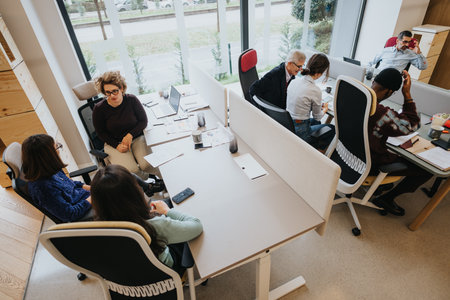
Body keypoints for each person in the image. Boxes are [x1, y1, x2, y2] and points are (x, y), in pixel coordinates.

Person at [90, 164, 203, 275]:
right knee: (177, 218)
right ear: (134, 194)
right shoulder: (154, 226)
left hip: (132, 276)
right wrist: (167, 211)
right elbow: (196, 226)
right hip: (166, 272)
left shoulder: (97, 230)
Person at [368, 68, 433, 216]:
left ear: (374, 81)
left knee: (395, 153)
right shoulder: (381, 113)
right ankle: (387, 198)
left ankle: (381, 183)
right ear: (390, 92)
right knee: (424, 168)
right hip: (370, 161)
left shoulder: (354, 95)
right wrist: (407, 94)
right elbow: (413, 125)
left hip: (347, 155)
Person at [92, 71, 164, 192]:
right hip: (113, 143)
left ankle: (166, 182)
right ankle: (147, 186)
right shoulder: (99, 109)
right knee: (130, 171)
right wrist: (117, 145)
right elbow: (101, 133)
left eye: (115, 91)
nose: (112, 95)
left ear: (121, 88)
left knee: (146, 164)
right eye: (107, 92)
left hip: (136, 138)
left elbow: (143, 121)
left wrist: (130, 135)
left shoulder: (131, 100)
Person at [22, 134, 93, 222]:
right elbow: (71, 214)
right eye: (56, 148)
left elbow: (72, 185)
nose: (59, 150)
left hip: (87, 198)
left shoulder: (50, 169)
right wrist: (95, 197)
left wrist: (94, 189)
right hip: (84, 211)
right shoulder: (43, 189)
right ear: (48, 156)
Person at [286, 53, 335, 151]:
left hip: (288, 124)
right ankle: (316, 153)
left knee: (316, 122)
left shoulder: (294, 81)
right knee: (332, 128)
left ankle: (313, 144)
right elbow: (318, 116)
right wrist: (324, 109)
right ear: (318, 74)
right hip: (301, 131)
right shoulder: (315, 90)